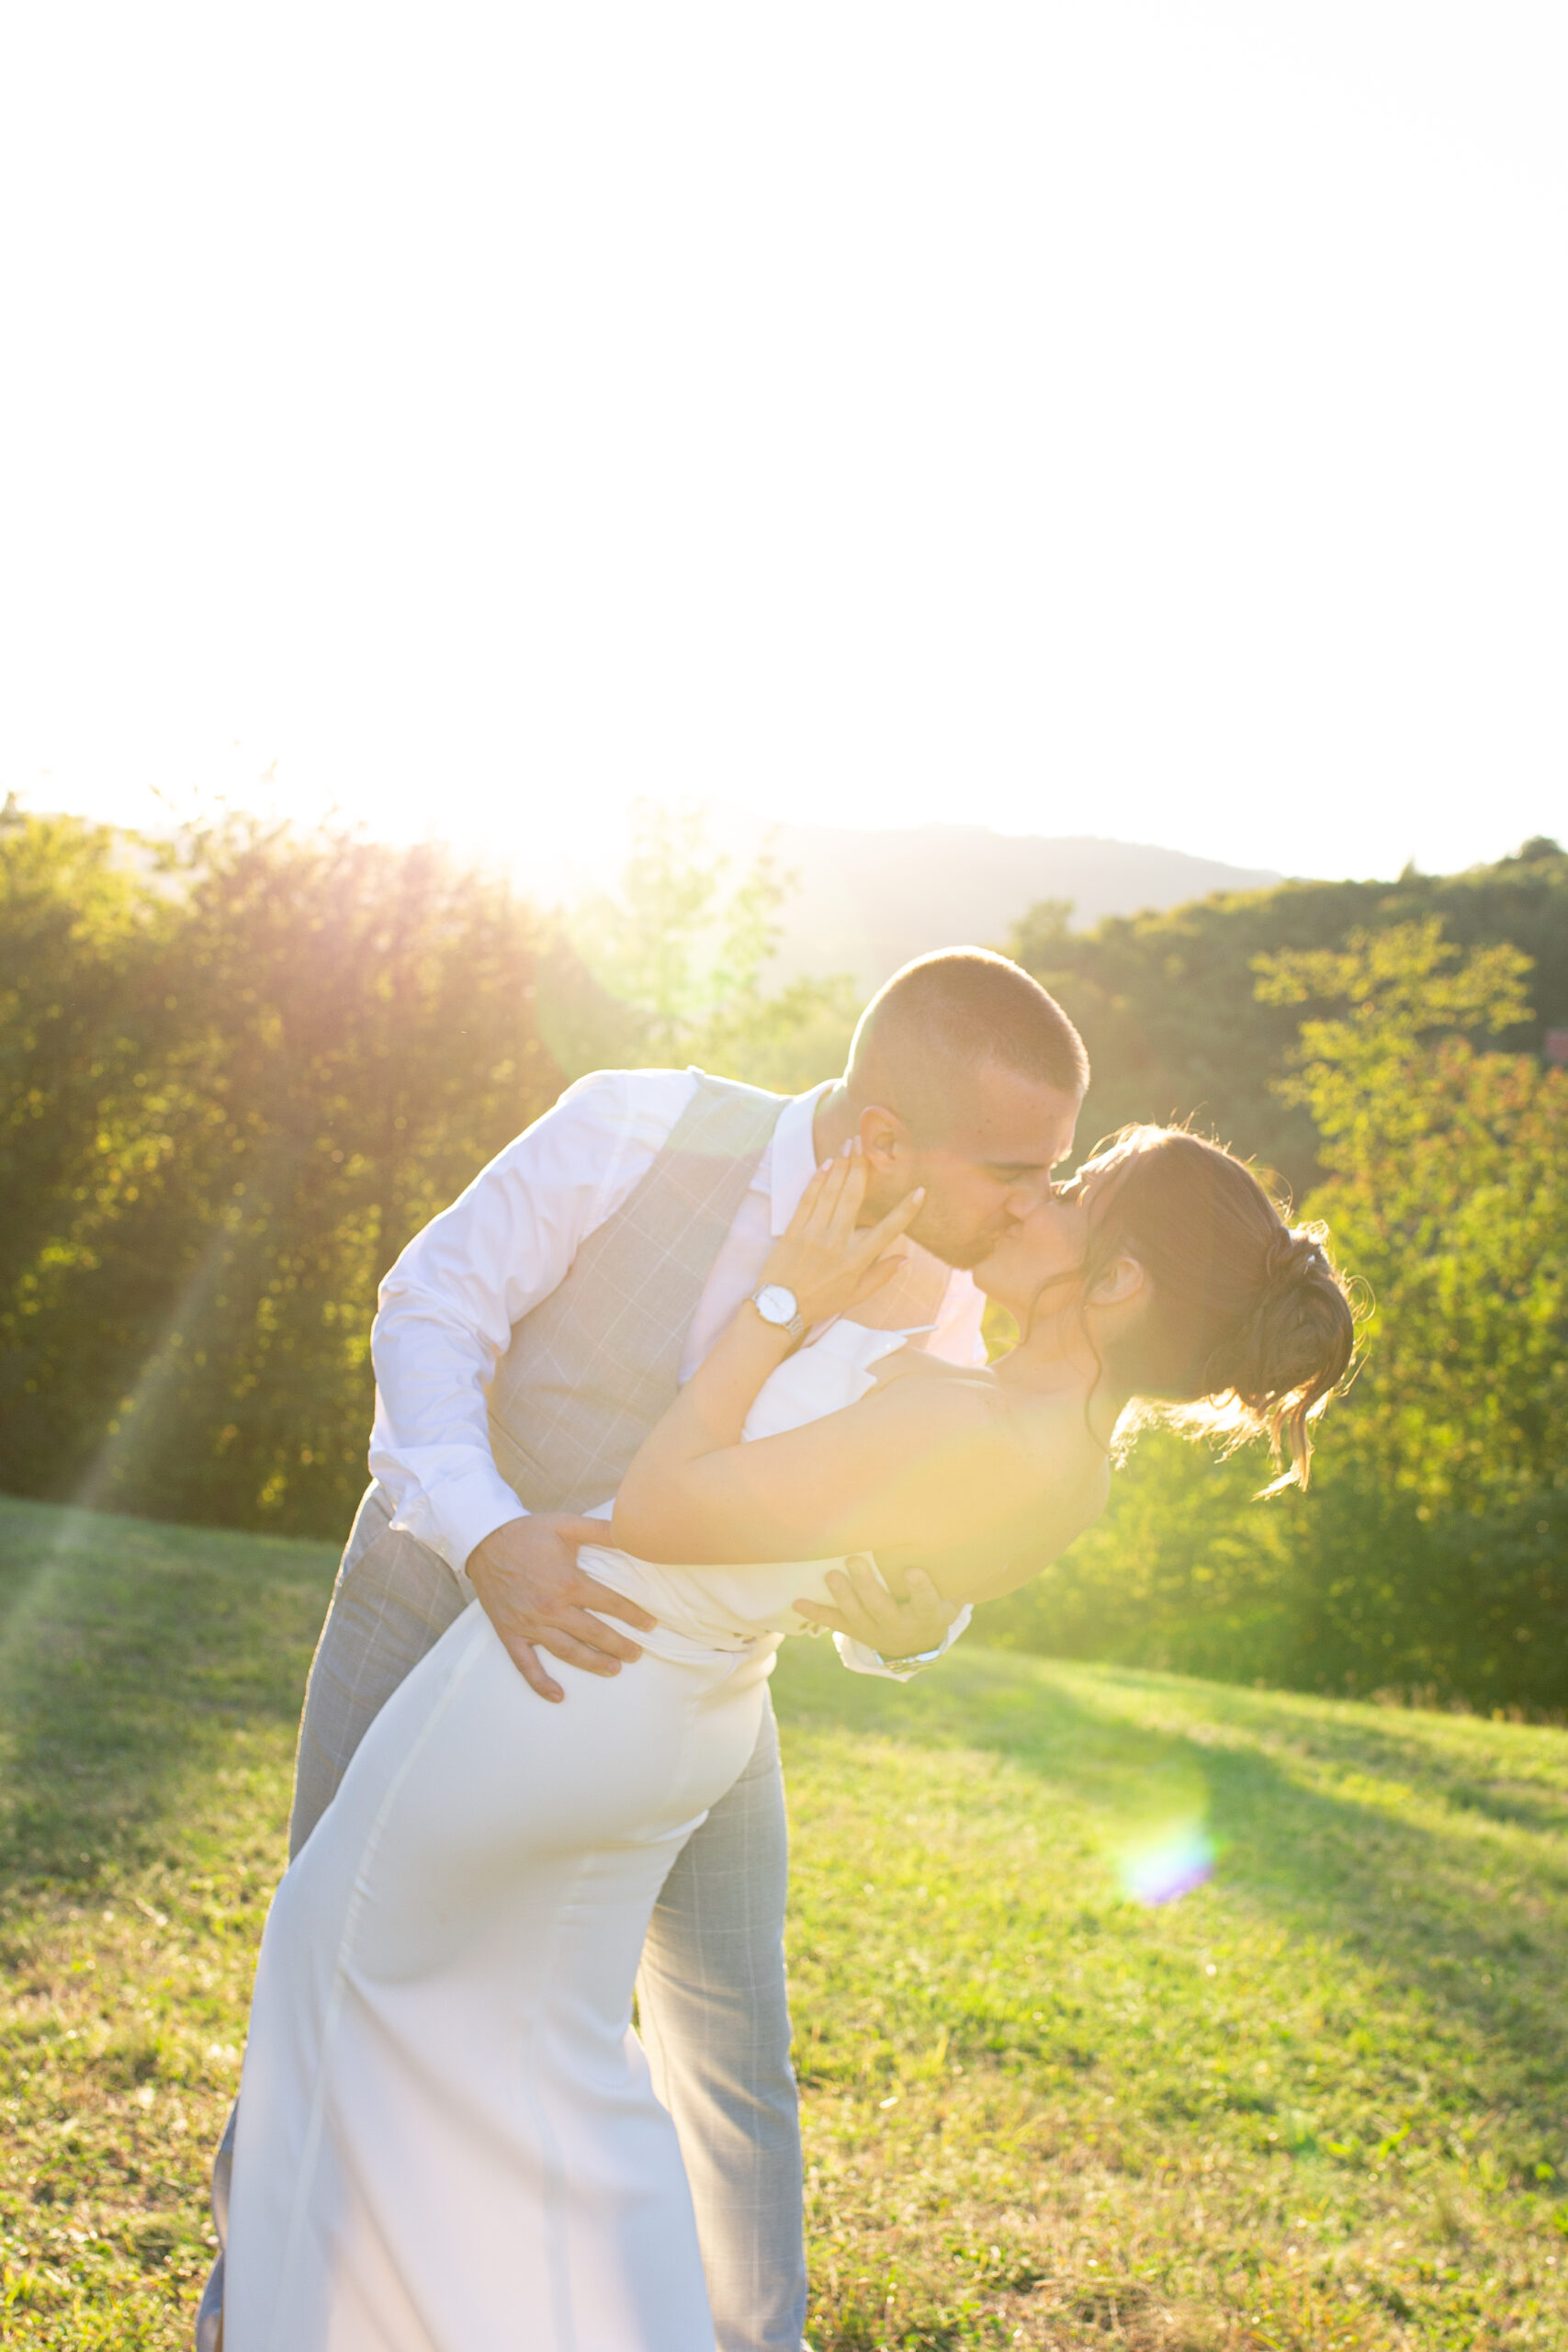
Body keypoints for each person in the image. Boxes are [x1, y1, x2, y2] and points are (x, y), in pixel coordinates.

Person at [220, 1121, 1354, 2351]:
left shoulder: (969, 1430)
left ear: (1121, 1281)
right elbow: (859, 1565)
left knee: (331, 1992)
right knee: (549, 2073)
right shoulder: (1059, 1448)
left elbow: (658, 1509)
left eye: (1075, 1192)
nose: (1036, 1201)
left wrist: (780, 1302)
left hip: (562, 1686)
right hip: (669, 1718)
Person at [198, 946, 1091, 2352]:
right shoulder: (635, 1126)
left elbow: (896, 1531)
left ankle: (753, 2339)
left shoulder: (962, 1303)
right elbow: (431, 1312)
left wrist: (919, 1621)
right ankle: (248, 2320)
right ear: (883, 1138)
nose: (1041, 1204)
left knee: (736, 2058)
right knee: (332, 1982)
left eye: (1058, 1167)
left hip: (697, 1700)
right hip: (434, 1607)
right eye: (1013, 1170)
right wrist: (492, 1536)